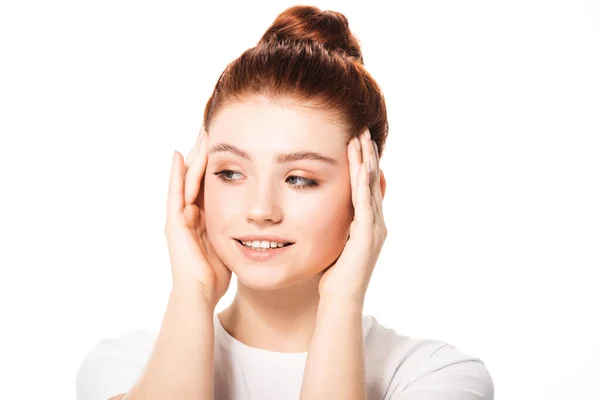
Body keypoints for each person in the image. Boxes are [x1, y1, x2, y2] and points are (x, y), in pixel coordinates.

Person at [76, 5, 494, 400]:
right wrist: (194, 290)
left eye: (299, 179)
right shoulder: (126, 366)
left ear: (367, 193)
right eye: (230, 173)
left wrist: (342, 301)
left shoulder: (434, 375)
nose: (260, 210)